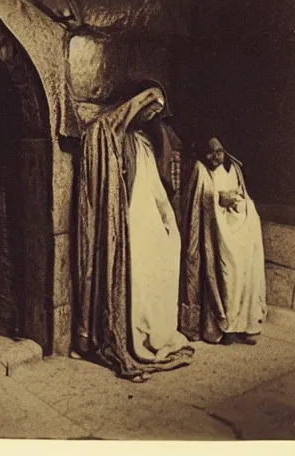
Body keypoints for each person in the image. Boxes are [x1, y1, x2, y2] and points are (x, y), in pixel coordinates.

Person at [76, 81, 194, 383]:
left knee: (159, 273)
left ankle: (154, 335)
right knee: (137, 281)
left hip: (150, 222)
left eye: (156, 111)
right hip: (127, 225)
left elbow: (155, 189)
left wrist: (168, 222)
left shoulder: (143, 141)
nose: (151, 115)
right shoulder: (106, 136)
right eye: (148, 107)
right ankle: (133, 340)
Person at [179, 136, 267, 345]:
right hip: (214, 236)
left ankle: (243, 325)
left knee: (242, 279)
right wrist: (217, 204)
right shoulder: (200, 169)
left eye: (218, 151)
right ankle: (222, 327)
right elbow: (195, 207)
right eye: (209, 152)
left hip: (237, 233)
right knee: (224, 277)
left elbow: (244, 198)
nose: (214, 157)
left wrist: (236, 203)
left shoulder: (235, 169)